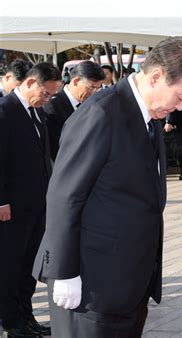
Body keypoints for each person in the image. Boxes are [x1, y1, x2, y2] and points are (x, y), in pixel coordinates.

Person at [32, 36, 182, 337]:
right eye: (180, 96)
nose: (181, 106)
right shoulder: (101, 113)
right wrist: (64, 272)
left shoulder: (149, 115)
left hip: (128, 284)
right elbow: (64, 195)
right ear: (155, 77)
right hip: (90, 285)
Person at [0, 62, 62, 337]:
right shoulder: (5, 110)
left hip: (37, 204)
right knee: (11, 266)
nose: (47, 100)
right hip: (12, 208)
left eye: (51, 96)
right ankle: (11, 321)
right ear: (29, 83)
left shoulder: (37, 113)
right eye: (46, 94)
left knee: (29, 267)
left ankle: (26, 317)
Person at [44, 60, 105, 160]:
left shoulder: (92, 105)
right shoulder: (52, 107)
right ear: (76, 81)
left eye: (97, 89)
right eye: (91, 88)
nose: (94, 93)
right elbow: (56, 148)